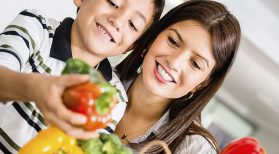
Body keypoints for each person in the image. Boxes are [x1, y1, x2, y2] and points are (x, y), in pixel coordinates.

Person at [0, 0, 165, 152]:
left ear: (132, 46)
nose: (118, 21)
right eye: (113, 2)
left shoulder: (114, 97)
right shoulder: (35, 27)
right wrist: (34, 87)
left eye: (132, 24)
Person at [115, 0, 241, 153]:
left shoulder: (195, 149)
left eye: (195, 64)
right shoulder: (96, 79)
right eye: (173, 41)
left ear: (203, 83)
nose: (174, 62)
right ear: (153, 37)